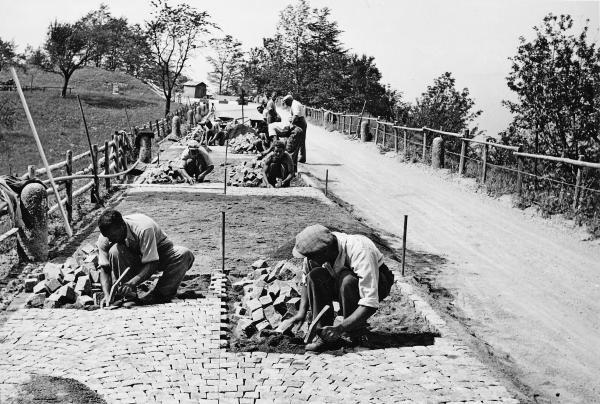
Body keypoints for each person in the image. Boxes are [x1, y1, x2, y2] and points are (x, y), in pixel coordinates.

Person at [282, 224, 395, 351]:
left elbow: (370, 302)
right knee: (314, 276)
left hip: (379, 282)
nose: (308, 260)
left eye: (312, 257)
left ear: (325, 251)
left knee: (347, 280)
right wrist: (301, 312)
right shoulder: (316, 251)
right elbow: (306, 281)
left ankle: (357, 335)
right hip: (339, 280)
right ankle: (325, 336)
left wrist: (340, 328)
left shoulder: (360, 249)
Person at [96, 209, 195, 307]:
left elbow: (152, 263)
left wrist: (131, 283)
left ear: (122, 226)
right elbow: (105, 269)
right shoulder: (105, 238)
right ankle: (130, 297)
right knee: (115, 250)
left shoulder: (143, 228)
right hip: (134, 259)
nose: (110, 239)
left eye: (113, 236)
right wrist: (107, 295)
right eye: (107, 236)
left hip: (159, 254)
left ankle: (159, 295)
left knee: (184, 254)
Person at [282, 94, 307, 163]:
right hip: (298, 122)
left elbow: (296, 116)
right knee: (300, 140)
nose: (286, 104)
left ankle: (300, 157)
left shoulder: (295, 104)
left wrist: (291, 124)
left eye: (286, 102)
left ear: (289, 100)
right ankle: (301, 157)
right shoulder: (293, 104)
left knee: (298, 140)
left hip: (299, 123)